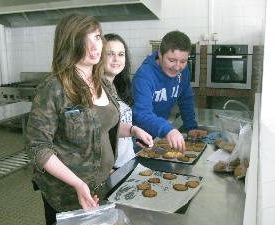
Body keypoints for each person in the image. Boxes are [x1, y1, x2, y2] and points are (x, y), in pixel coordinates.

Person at [26, 14, 153, 225]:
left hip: (101, 185)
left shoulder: (104, 83)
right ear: (69, 45)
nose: (94, 47)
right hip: (64, 194)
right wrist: (77, 183)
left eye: (96, 37)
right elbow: (37, 147)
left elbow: (101, 127)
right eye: (84, 40)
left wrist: (132, 130)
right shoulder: (54, 88)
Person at [132, 30, 204, 152]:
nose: (177, 67)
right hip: (136, 136)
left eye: (183, 61)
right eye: (171, 60)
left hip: (157, 134)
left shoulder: (183, 72)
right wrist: (168, 129)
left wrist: (190, 127)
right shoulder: (144, 75)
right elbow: (141, 114)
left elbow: (185, 99)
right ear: (160, 54)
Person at [103, 33, 136, 169]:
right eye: (110, 54)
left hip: (128, 161)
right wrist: (106, 170)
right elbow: (96, 134)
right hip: (110, 169)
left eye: (121, 54)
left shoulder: (119, 85)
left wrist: (135, 132)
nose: (116, 59)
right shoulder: (94, 90)